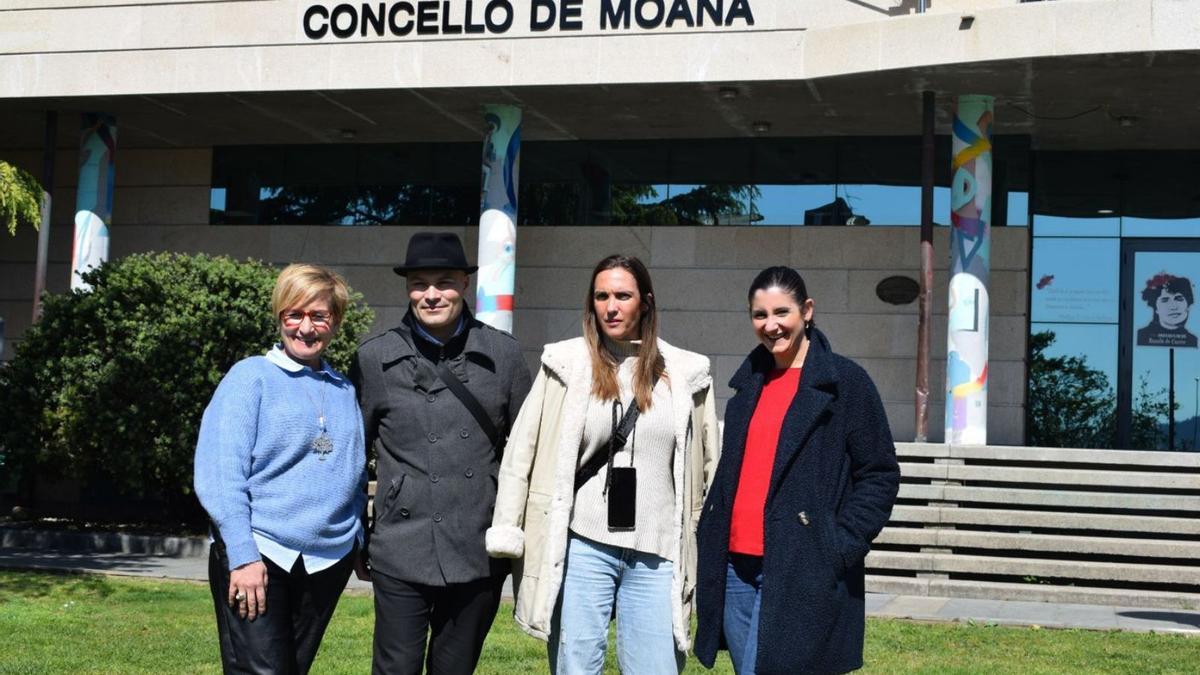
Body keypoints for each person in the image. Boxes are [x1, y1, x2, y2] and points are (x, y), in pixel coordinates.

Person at [486, 254, 720, 674]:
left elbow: (708, 467)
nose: (611, 307)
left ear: (645, 302)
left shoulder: (687, 374)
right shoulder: (565, 365)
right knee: (576, 666)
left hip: (656, 550)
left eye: (622, 296)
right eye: (601, 296)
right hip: (582, 544)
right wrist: (508, 526)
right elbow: (521, 450)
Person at [694, 266, 900, 675]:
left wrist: (838, 545)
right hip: (736, 564)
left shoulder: (846, 382)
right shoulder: (748, 384)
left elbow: (879, 473)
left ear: (807, 310)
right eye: (759, 315)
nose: (771, 325)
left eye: (781, 312)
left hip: (801, 562)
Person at [351, 232, 532, 675]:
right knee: (396, 669)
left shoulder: (503, 354)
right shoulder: (374, 358)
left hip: (477, 545)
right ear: (408, 288)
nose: (432, 295)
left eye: (444, 282)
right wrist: (357, 531)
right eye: (419, 283)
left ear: (465, 286)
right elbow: (353, 456)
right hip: (400, 544)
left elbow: (529, 451)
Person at [195, 263, 368, 675]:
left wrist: (357, 538)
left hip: (327, 562)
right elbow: (221, 476)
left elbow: (353, 472)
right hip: (260, 555)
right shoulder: (250, 377)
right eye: (295, 314)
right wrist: (241, 556)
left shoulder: (344, 390)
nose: (305, 328)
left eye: (319, 316)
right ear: (280, 317)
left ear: (335, 322)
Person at [1136, 273, 1197, 348]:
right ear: (1156, 308)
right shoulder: (1143, 336)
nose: (1173, 307)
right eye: (1165, 300)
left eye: (1179, 299)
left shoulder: (1192, 340)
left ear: (1188, 305)